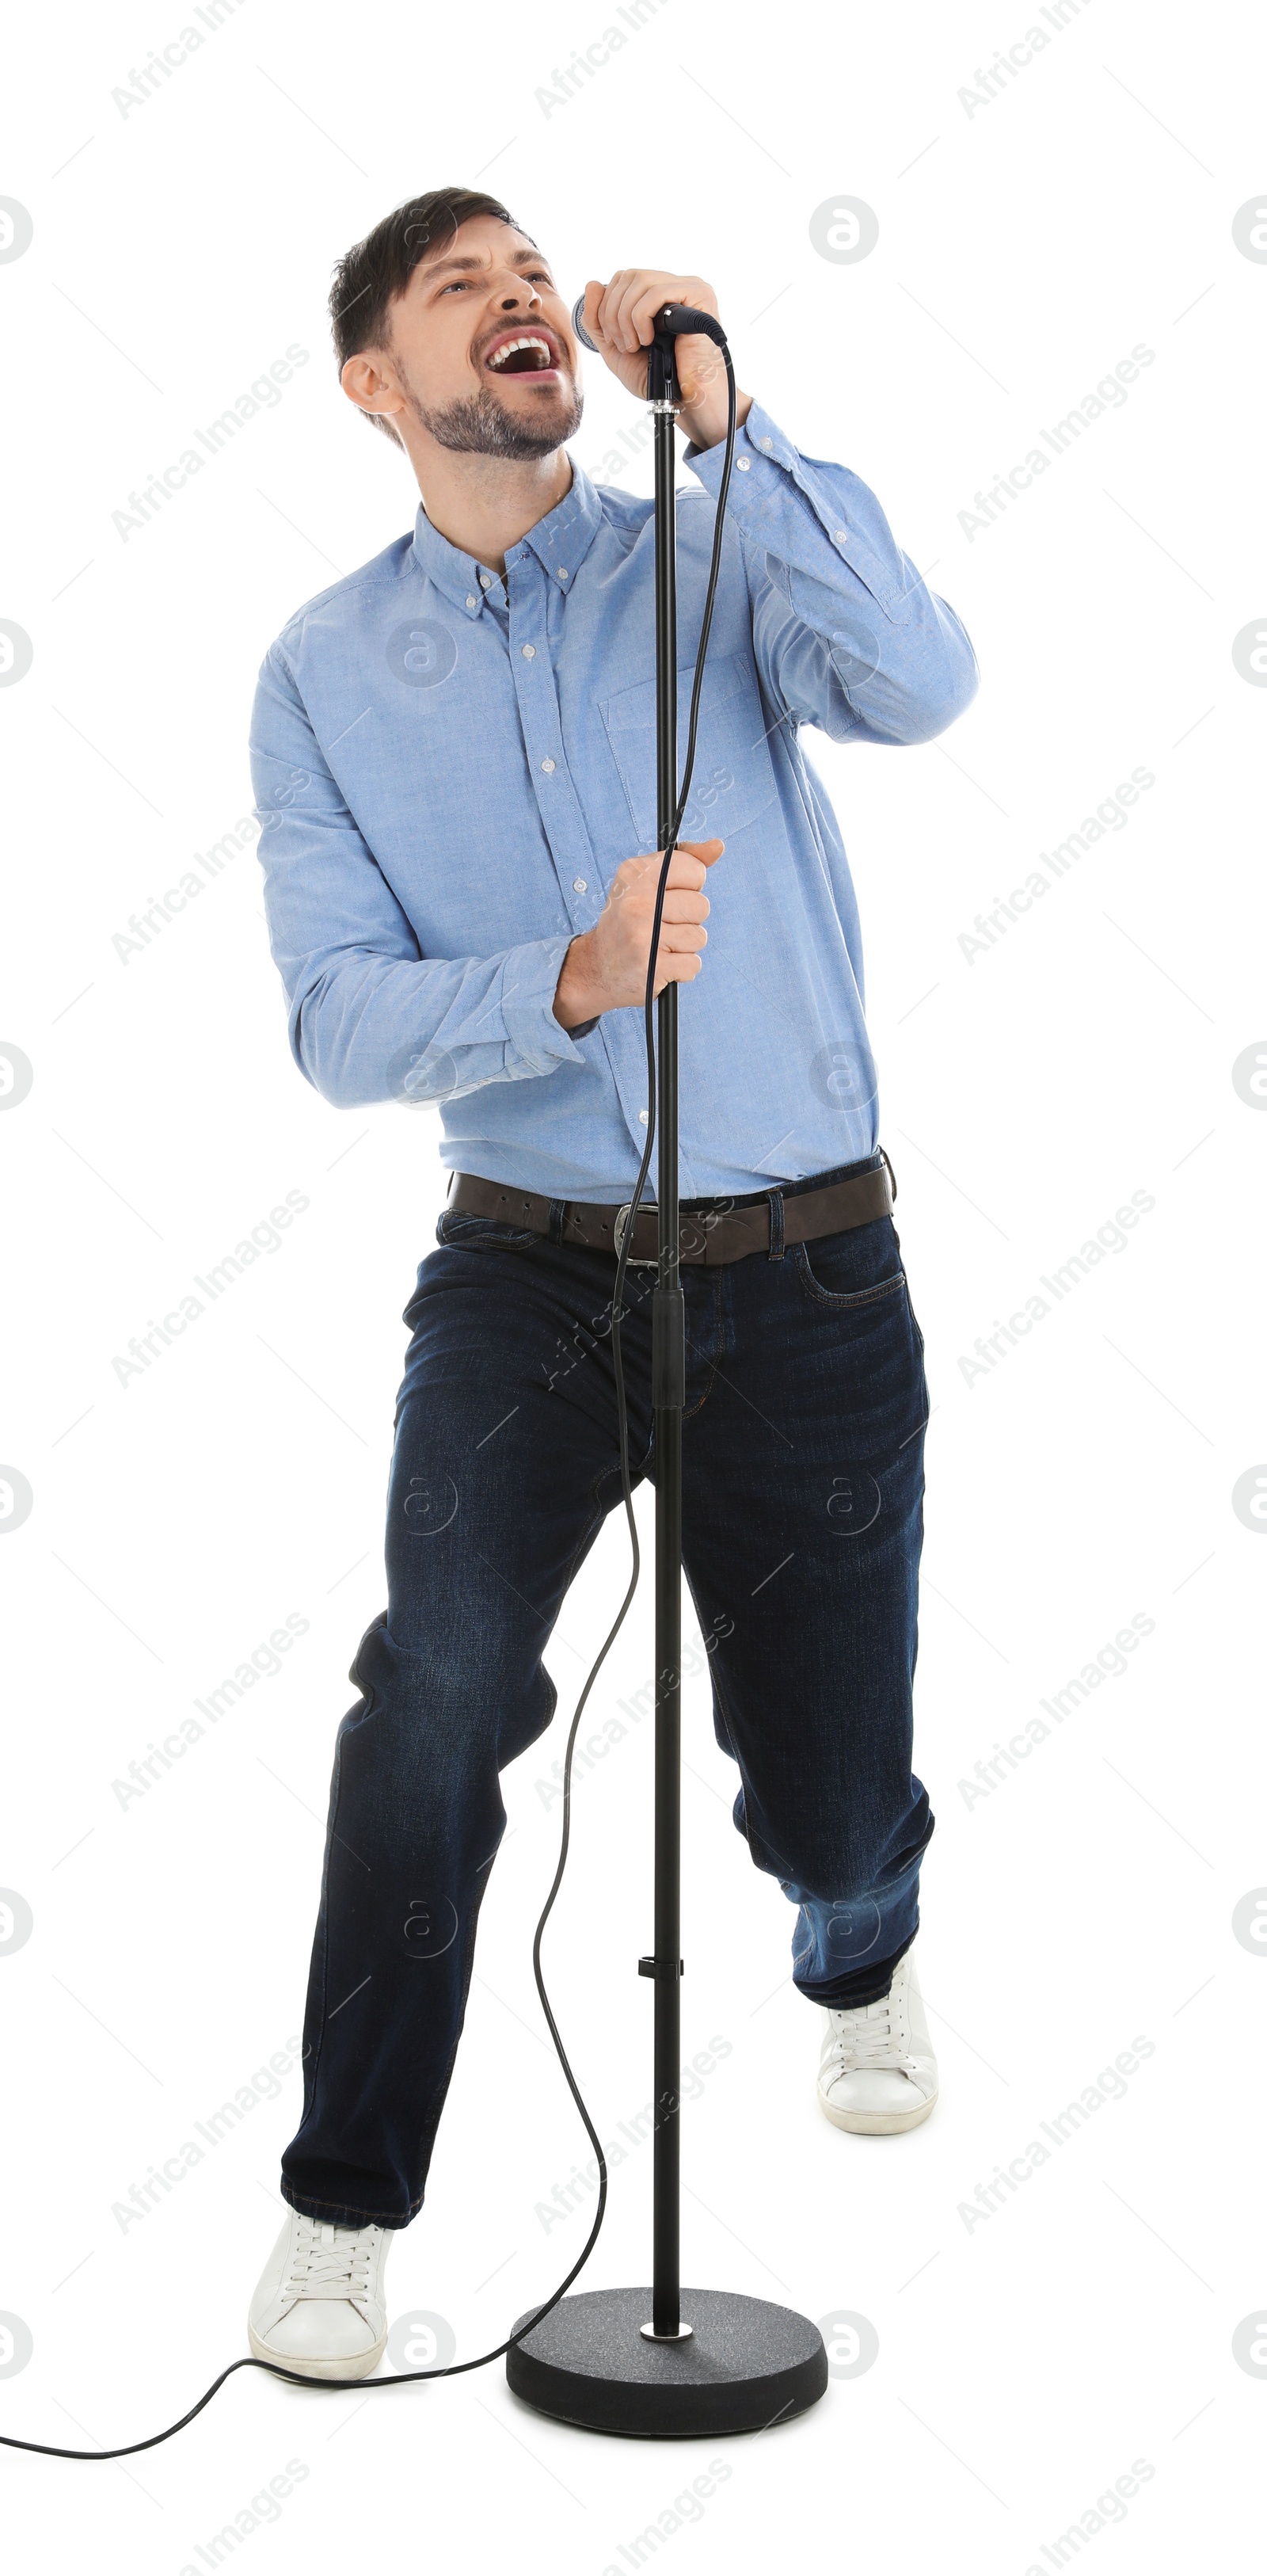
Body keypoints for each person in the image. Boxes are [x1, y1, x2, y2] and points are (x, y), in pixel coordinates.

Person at [245, 185, 978, 2381]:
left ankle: (859, 1942)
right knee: (437, 1693)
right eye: (461, 288)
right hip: (525, 1281)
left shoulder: (709, 546)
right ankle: (339, 2207)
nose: (524, 301)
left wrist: (734, 417)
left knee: (828, 1776)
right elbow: (335, 1021)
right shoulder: (314, 676)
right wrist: (558, 984)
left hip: (810, 1261)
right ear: (380, 383)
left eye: (534, 276)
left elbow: (927, 682)